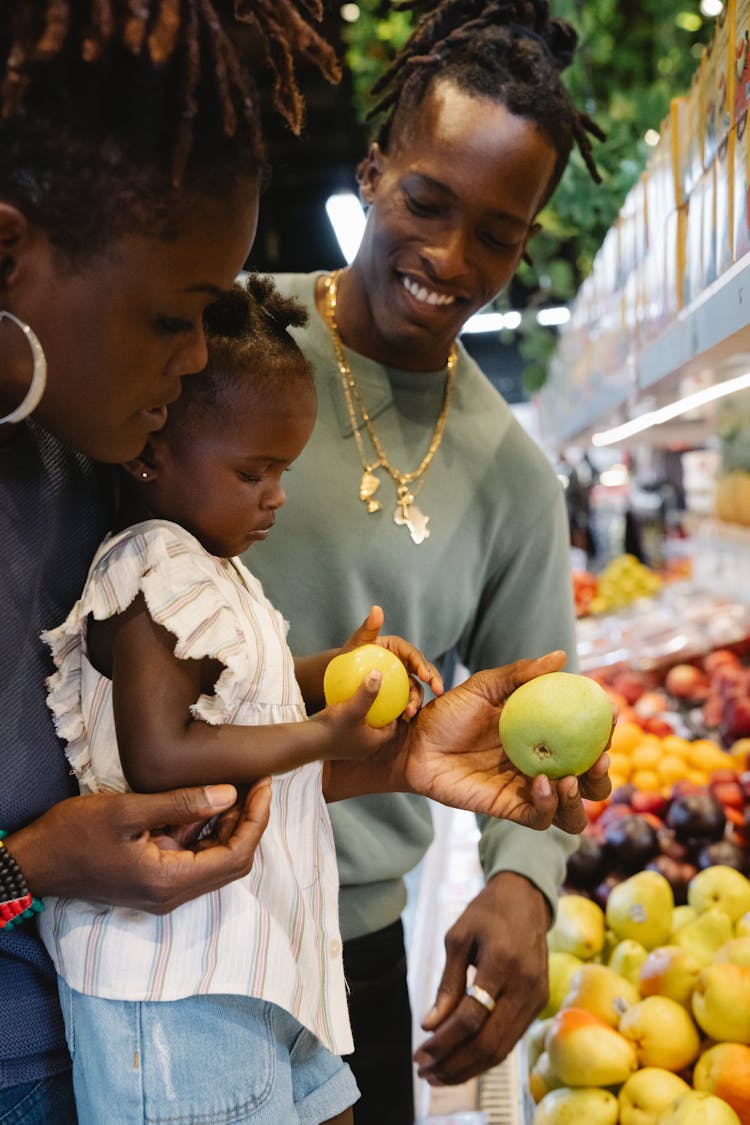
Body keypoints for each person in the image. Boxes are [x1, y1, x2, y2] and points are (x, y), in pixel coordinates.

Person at [39, 275, 593, 1125]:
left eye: (284, 471)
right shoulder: (151, 571)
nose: (278, 497)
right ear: (153, 452)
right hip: (172, 979)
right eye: (253, 471)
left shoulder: (213, 573)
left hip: (249, 954)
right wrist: (321, 732)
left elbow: (239, 686)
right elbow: (162, 755)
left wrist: (338, 668)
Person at [245, 1, 611, 1120]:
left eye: (498, 234)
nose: (451, 258)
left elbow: (532, 706)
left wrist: (522, 884)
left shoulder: (510, 474)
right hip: (136, 895)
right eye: (426, 201)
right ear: (372, 170)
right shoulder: (223, 347)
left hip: (348, 940)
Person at [0, 2, 343, 1119]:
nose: (196, 360)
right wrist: (33, 867)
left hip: (107, 1037)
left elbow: (175, 744)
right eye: (173, 317)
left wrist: (392, 744)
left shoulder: (83, 468)